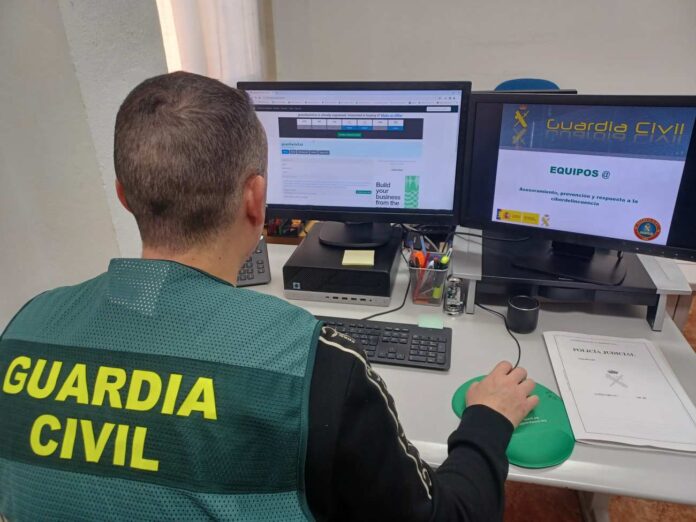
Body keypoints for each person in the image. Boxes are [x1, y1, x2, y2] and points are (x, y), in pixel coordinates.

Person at [0, 72, 538, 521]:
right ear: (256, 198)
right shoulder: (320, 366)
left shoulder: (21, 330)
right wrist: (488, 417)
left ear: (124, 194)